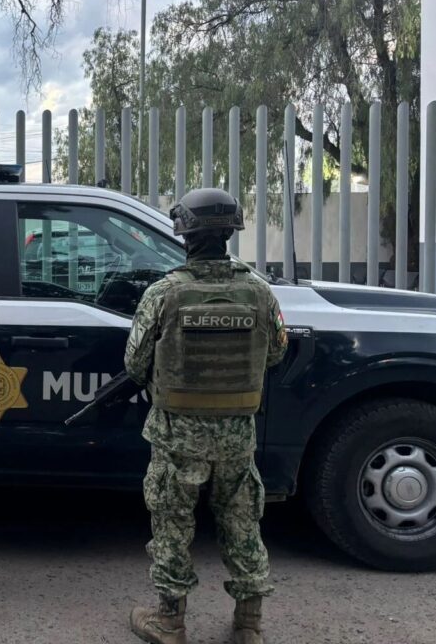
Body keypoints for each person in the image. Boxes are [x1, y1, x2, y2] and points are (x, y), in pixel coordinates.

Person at [125, 188, 289, 644]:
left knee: (173, 526)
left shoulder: (164, 294)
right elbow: (276, 353)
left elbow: (135, 364)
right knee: (242, 523)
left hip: (177, 436)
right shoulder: (260, 292)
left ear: (184, 234)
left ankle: (169, 622)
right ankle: (248, 625)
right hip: (237, 436)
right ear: (229, 233)